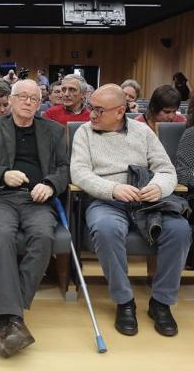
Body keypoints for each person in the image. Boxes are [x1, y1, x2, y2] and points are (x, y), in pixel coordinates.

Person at [71, 84, 191, 338]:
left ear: (119, 111)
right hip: (106, 200)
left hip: (147, 200)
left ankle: (161, 302)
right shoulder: (84, 133)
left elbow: (167, 170)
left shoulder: (143, 132)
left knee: (180, 231)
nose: (91, 114)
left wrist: (158, 188)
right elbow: (79, 173)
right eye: (91, 107)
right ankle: (124, 300)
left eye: (98, 110)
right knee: (105, 229)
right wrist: (113, 188)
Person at [0, 80, 69, 358]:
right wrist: (2, 174)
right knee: (2, 236)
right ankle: (13, 318)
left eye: (34, 98)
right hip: (1, 198)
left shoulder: (54, 131)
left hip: (37, 200)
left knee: (43, 236)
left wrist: (49, 184)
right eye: (22, 96)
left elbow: (64, 168)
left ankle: (9, 317)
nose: (27, 102)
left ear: (40, 103)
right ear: (10, 100)